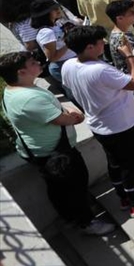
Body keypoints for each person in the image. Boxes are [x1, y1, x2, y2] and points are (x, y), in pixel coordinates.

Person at [1, 51, 115, 236]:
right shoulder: (30, 98)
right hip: (56, 153)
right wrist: (76, 115)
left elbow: (58, 110)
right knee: (74, 187)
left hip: (41, 151)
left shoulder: (13, 90)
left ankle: (71, 216)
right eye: (32, 62)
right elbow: (69, 119)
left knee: (59, 189)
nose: (38, 62)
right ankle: (86, 222)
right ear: (21, 72)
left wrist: (64, 111)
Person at [62, 25, 134, 214]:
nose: (103, 44)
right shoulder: (100, 70)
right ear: (89, 47)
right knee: (132, 167)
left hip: (100, 125)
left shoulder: (68, 65)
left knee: (115, 163)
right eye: (99, 42)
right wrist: (129, 56)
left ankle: (125, 196)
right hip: (122, 126)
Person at [29, 0, 79, 98]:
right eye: (53, 9)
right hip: (62, 66)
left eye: (57, 7)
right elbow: (53, 57)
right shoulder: (46, 32)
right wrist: (69, 41)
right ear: (45, 14)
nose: (58, 10)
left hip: (72, 61)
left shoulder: (56, 24)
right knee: (77, 93)